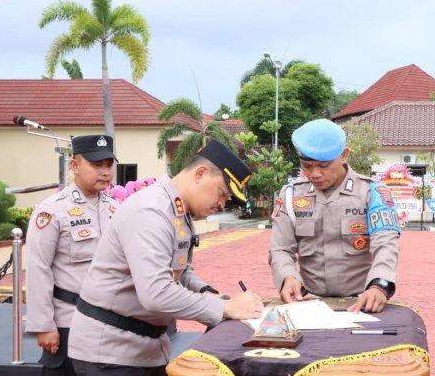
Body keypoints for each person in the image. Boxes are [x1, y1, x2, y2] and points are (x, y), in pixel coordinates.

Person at [68, 140, 264, 376]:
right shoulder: (151, 210)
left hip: (143, 348)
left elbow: (181, 270)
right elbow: (156, 292)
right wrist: (223, 307)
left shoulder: (177, 210)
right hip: (109, 352)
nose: (222, 204)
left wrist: (211, 295)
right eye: (222, 193)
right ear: (200, 173)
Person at [268, 119, 399, 313]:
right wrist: (288, 277)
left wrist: (379, 286)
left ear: (344, 155)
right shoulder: (290, 196)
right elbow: (280, 249)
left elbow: (385, 244)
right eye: (307, 165)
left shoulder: (372, 193)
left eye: (324, 165)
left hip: (360, 303)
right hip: (308, 301)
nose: (315, 173)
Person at [26, 135, 119, 376]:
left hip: (108, 323)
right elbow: (38, 269)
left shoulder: (115, 208)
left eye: (108, 165)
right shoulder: (52, 210)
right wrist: (44, 325)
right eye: (96, 165)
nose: (105, 172)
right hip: (69, 322)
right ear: (74, 166)